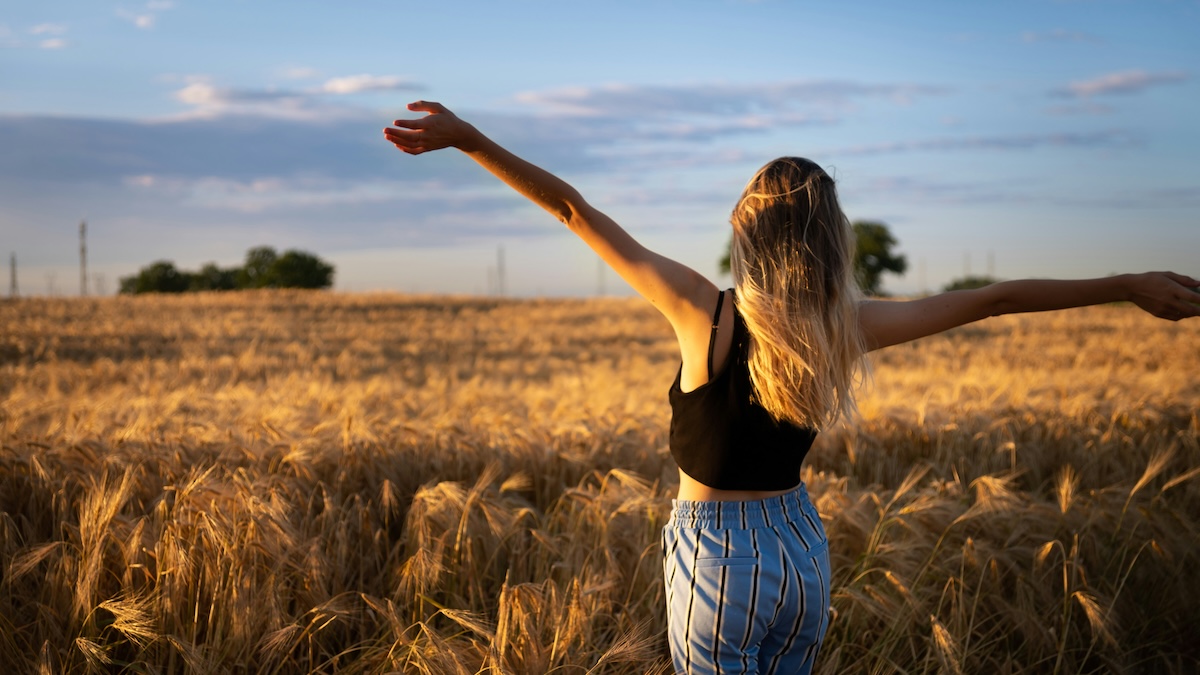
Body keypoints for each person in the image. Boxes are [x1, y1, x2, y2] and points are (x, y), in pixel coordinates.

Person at [383, 101, 1200, 675]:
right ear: (831, 240)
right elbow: (995, 299)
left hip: (719, 555)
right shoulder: (844, 326)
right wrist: (1125, 280)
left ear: (746, 231)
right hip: (803, 550)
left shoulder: (704, 312)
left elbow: (571, 208)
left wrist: (470, 138)